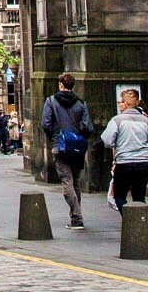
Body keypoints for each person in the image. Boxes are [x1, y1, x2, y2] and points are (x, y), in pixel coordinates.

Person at [41, 73, 94, 230]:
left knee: (67, 181)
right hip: (77, 146)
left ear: (61, 85)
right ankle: (76, 215)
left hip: (61, 145)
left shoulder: (51, 101)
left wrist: (56, 136)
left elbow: (46, 124)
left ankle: (77, 218)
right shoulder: (80, 103)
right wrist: (79, 137)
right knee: (75, 180)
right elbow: (88, 127)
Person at [101, 87, 148, 214]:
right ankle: (140, 222)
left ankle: (129, 219)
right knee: (139, 197)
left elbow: (107, 141)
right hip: (142, 163)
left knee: (119, 196)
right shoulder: (146, 120)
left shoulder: (117, 120)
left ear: (125, 104)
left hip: (124, 163)